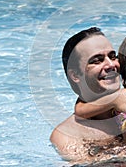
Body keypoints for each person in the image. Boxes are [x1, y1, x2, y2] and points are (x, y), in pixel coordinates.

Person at [50, 27, 122, 161]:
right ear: (75, 75)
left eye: (112, 56)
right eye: (97, 60)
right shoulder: (67, 135)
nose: (111, 65)